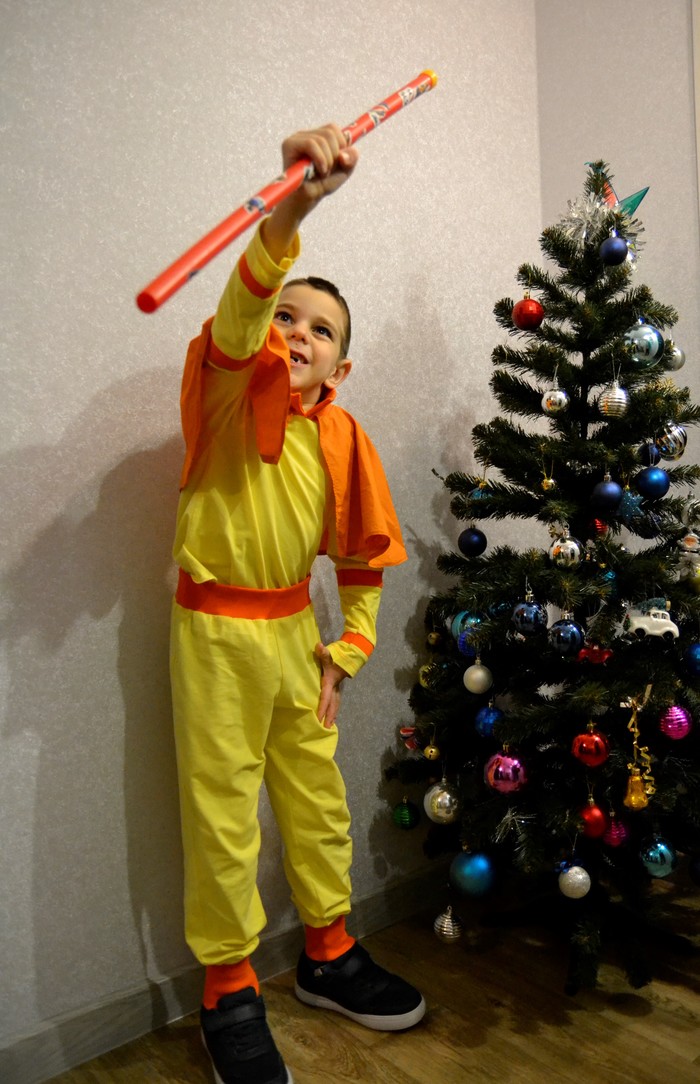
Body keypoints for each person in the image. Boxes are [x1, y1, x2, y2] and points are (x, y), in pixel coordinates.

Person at [169, 123, 425, 1084]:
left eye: (322, 329)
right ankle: (229, 988)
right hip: (215, 634)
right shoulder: (227, 393)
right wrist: (292, 210)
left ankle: (328, 953)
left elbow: (360, 557)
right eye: (288, 316)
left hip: (293, 635)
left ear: (341, 367)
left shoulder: (342, 438)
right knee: (223, 810)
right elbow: (238, 320)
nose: (299, 334)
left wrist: (345, 650)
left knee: (317, 801)